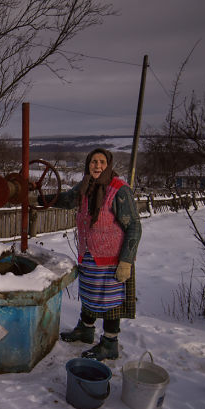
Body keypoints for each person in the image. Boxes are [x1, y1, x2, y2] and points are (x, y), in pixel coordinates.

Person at [47, 148, 141, 360]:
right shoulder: (85, 186)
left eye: (101, 162)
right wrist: (39, 198)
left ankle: (109, 343)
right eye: (93, 162)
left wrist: (126, 261)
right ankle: (85, 329)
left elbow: (134, 225)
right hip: (90, 255)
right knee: (89, 294)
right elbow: (67, 199)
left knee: (110, 303)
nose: (97, 166)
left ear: (108, 164)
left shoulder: (119, 189)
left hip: (111, 259)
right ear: (88, 164)